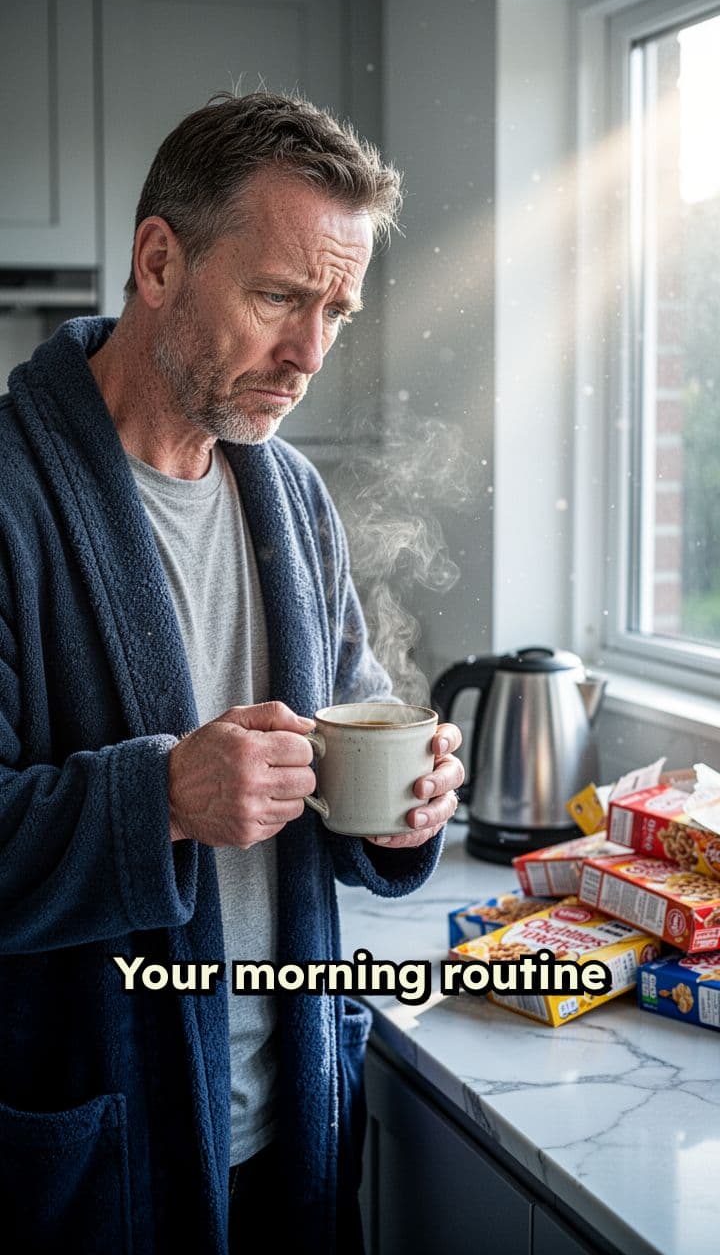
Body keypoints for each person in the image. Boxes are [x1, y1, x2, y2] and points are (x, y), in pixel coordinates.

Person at [0, 91, 463, 1253]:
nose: (310, 355)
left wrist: (402, 809)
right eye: (277, 297)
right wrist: (157, 798)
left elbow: (346, 716)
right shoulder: (11, 497)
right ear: (160, 261)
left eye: (336, 311)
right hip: (99, 1141)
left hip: (289, 1116)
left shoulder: (289, 494)